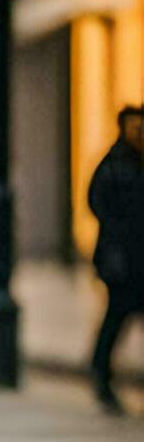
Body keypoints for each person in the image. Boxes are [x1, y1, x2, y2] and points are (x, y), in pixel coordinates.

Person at [87, 105, 144, 413]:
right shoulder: (113, 165)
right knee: (116, 318)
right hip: (121, 261)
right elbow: (95, 202)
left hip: (139, 259)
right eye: (135, 127)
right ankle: (101, 374)